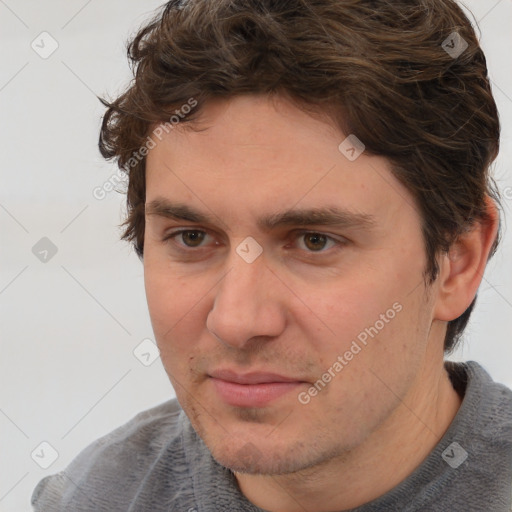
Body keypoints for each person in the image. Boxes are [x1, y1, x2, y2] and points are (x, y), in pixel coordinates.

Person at [31, 0, 512, 510]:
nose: (236, 321)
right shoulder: (95, 497)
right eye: (193, 237)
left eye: (313, 241)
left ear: (457, 262)